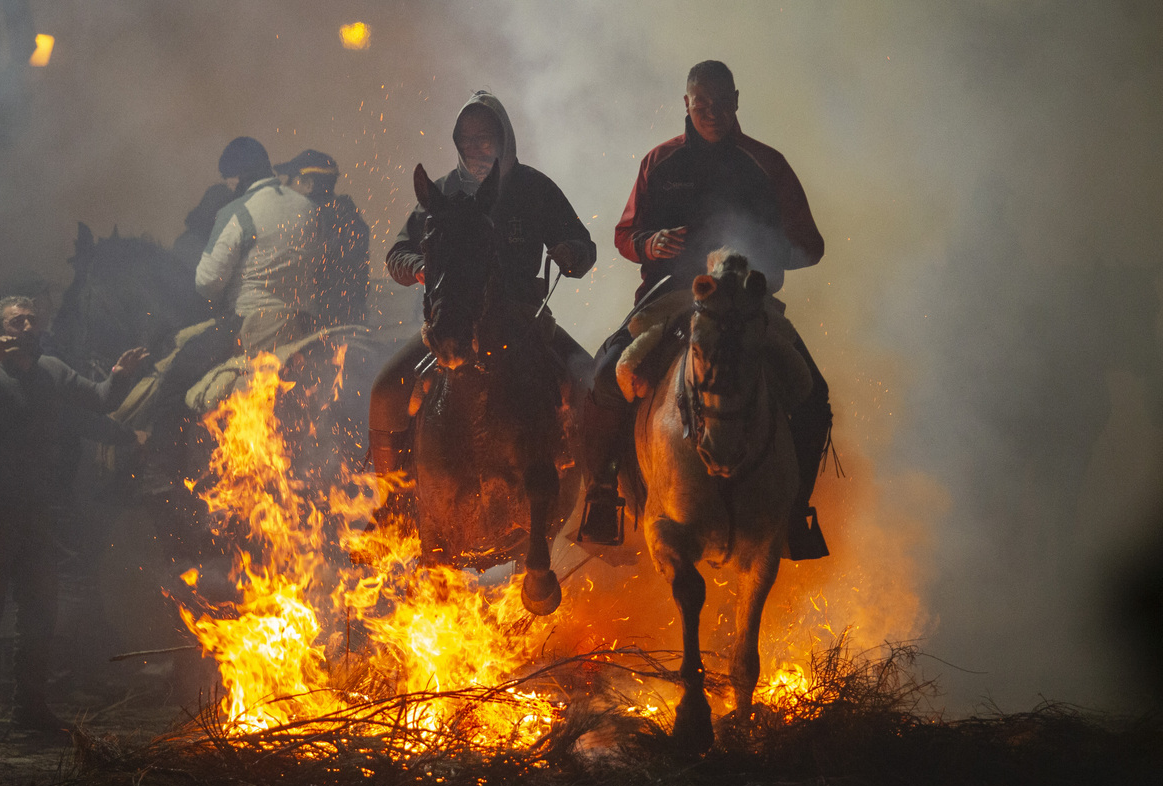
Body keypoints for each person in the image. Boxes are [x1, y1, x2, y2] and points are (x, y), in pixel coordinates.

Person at [579, 60, 832, 560]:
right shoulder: (659, 162)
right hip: (670, 299)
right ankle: (602, 495)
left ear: (737, 100)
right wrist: (652, 243)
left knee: (813, 395)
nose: (712, 112)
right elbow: (625, 235)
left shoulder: (768, 164)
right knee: (603, 377)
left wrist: (757, 253)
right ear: (686, 104)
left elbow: (811, 244)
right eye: (702, 104)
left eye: (722, 102)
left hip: (745, 305)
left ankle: (795, 512)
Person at [369, 91, 597, 478]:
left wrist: (570, 253)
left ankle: (599, 491)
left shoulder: (535, 189)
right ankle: (391, 498)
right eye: (466, 139)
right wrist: (420, 266)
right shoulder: (441, 194)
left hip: (526, 318)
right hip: (453, 321)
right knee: (387, 392)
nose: (475, 147)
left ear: (504, 137)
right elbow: (397, 254)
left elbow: (584, 246)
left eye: (484, 137)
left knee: (591, 384)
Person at [0, 296, 147, 738]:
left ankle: (31, 709)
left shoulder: (52, 370)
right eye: (15, 320)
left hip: (38, 511)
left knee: (40, 611)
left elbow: (99, 401)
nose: (26, 325)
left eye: (32, 319)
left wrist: (118, 378)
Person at [195, 136, 317, 356]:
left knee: (175, 375)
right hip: (304, 325)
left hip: (250, 328)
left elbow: (207, 282)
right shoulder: (308, 207)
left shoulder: (237, 211)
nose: (227, 186)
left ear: (239, 176)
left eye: (227, 179)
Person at [273, 149, 371, 327]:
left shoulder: (311, 218)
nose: (285, 190)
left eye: (289, 182)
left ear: (308, 184)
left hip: (320, 322)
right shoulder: (347, 213)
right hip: (352, 318)